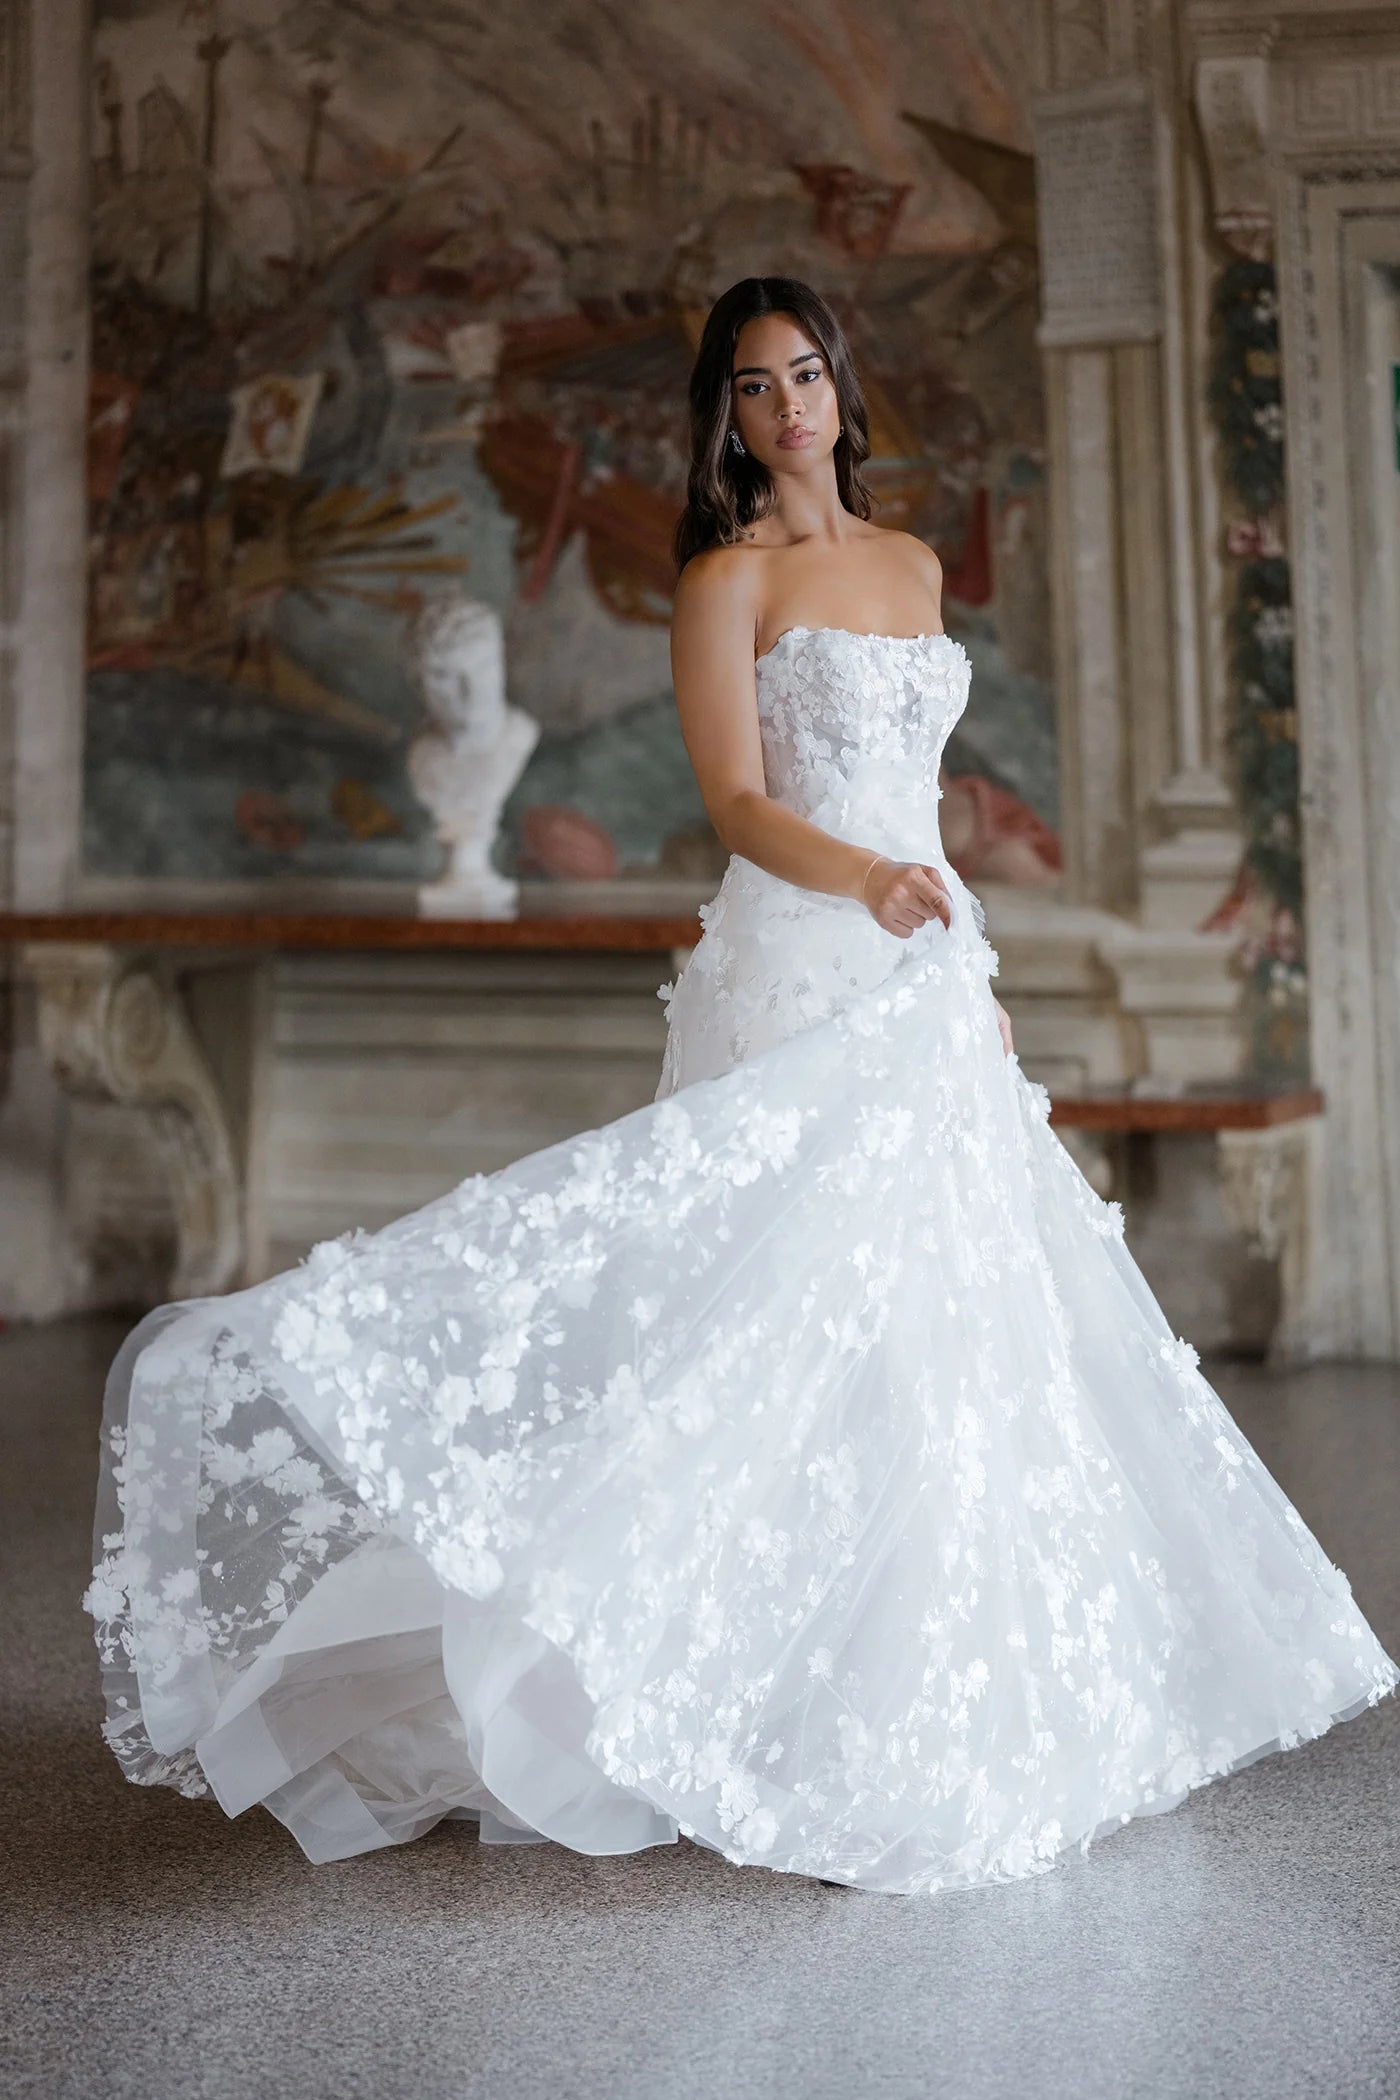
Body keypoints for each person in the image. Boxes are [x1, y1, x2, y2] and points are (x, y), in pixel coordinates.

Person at [84, 277, 1398, 1897]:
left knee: (943, 1329)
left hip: (926, 969)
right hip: (802, 961)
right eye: (758, 386)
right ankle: (737, 1699)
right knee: (778, 1325)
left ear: (845, 386)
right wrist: (873, 884)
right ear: (728, 412)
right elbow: (737, 801)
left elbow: (916, 793)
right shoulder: (727, 577)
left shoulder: (913, 566)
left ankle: (912, 1704)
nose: (790, 407)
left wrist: (963, 957)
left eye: (810, 373)